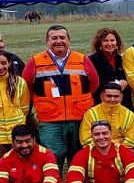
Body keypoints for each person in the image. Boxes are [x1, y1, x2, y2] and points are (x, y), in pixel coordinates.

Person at [22, 24, 100, 171]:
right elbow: (27, 88)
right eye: (54, 38)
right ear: (47, 41)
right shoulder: (35, 61)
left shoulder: (82, 59)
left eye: (62, 37)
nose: (59, 41)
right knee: (52, 157)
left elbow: (94, 84)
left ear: (69, 40)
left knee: (78, 157)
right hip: (50, 121)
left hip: (79, 119)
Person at [80, 82, 134, 148]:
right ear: (101, 97)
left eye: (116, 96)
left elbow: (130, 141)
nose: (112, 99)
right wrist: (119, 140)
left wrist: (107, 145)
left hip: (121, 151)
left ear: (121, 97)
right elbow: (86, 141)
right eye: (109, 96)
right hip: (96, 152)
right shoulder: (90, 113)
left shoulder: (129, 114)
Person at [87, 27, 130, 106]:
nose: (109, 44)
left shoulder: (121, 59)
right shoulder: (91, 60)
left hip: (121, 103)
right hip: (99, 102)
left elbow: (125, 76)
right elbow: (90, 83)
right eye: (106, 41)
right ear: (100, 43)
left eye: (112, 40)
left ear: (117, 43)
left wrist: (124, 81)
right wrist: (110, 84)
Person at [0, 50, 30, 154]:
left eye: (4, 63)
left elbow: (25, 108)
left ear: (9, 63)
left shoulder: (19, 82)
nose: (0, 67)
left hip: (18, 135)